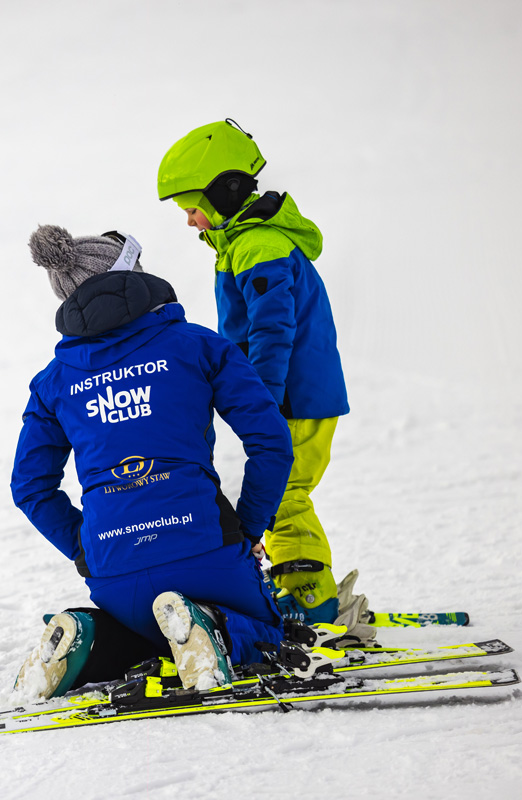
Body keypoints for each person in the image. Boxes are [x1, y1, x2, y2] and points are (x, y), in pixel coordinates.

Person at [10, 224, 295, 699]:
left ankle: (85, 637)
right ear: (133, 278)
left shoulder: (54, 381)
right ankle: (216, 629)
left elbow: (31, 488)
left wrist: (86, 548)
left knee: (146, 636)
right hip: (206, 547)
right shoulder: (199, 346)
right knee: (266, 631)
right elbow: (270, 442)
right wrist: (247, 528)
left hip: (113, 566)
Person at [156, 119, 370, 633]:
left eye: (192, 206)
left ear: (223, 191)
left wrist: (263, 403)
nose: (189, 221)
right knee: (285, 493)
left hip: (293, 398)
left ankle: (310, 602)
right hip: (297, 395)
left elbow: (274, 331)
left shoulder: (258, 246)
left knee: (285, 494)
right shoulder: (244, 244)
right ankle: (303, 585)